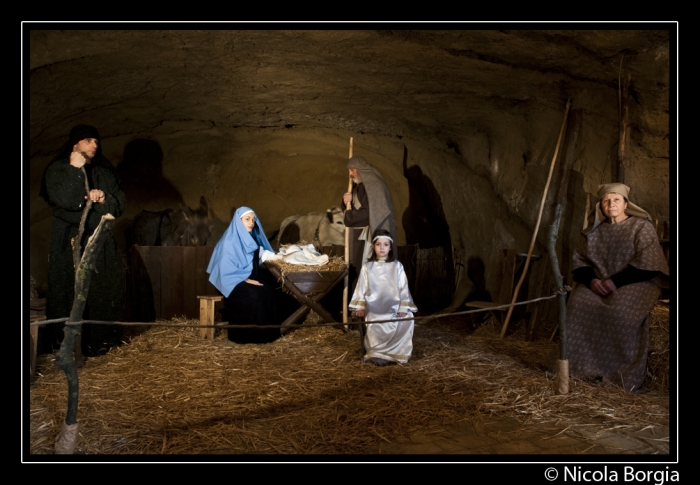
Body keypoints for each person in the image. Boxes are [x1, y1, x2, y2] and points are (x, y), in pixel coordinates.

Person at [565, 183, 669, 392]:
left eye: (616, 200)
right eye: (606, 201)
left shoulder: (641, 227)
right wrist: (592, 281)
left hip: (636, 281)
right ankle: (580, 369)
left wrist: (616, 282)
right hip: (599, 283)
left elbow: (650, 264)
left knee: (620, 313)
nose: (611, 204)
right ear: (601, 206)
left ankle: (618, 375)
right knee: (578, 305)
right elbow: (579, 263)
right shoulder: (592, 232)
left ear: (626, 204)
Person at [38, 124, 127, 357]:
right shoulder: (58, 170)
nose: (94, 145)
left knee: (101, 290)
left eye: (96, 141)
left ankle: (100, 344)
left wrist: (102, 197)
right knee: (68, 290)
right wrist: (75, 171)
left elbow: (118, 205)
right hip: (69, 241)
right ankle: (64, 346)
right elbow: (65, 199)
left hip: (99, 240)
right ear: (75, 144)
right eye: (88, 140)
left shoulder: (104, 173)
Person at [207, 207, 300, 344]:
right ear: (238, 221)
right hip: (231, 283)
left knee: (270, 291)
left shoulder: (252, 239)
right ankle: (247, 336)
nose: (251, 222)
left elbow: (263, 255)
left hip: (247, 278)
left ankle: (268, 335)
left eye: (253, 219)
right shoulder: (228, 242)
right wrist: (244, 279)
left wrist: (287, 256)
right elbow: (224, 270)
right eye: (247, 219)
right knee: (255, 295)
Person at [349, 229, 417, 366]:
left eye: (385, 244)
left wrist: (403, 307)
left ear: (390, 247)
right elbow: (362, 287)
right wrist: (361, 307)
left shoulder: (397, 266)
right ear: (373, 246)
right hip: (374, 307)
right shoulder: (367, 267)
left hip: (394, 306)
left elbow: (403, 288)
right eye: (378, 244)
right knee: (375, 321)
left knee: (408, 319)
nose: (382, 248)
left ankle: (397, 353)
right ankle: (377, 353)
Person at [342, 155, 397, 292]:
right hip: (361, 235)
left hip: (371, 234)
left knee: (368, 269)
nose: (350, 174)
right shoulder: (360, 186)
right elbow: (356, 208)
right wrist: (345, 203)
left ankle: (369, 305)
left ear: (359, 169)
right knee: (360, 269)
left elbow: (368, 213)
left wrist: (348, 216)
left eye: (352, 170)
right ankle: (360, 306)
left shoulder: (372, 185)